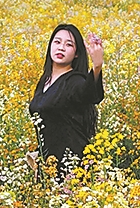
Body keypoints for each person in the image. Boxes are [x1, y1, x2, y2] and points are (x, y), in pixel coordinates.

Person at [29, 23, 105, 176]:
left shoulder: (75, 81)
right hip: (48, 167)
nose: (61, 48)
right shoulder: (45, 81)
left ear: (76, 54)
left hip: (72, 168)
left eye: (69, 44)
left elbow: (89, 94)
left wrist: (97, 66)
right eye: (57, 42)